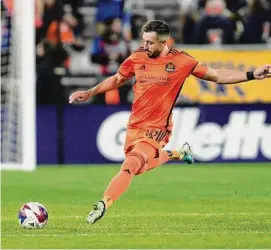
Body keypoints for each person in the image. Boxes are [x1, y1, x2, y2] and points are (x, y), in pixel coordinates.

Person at [69, 20, 271, 224]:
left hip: (158, 129)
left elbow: (217, 76)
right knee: (138, 168)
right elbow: (116, 79)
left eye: (150, 43)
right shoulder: (137, 58)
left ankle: (103, 203)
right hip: (134, 126)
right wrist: (89, 92)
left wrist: (252, 75)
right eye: (144, 41)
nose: (145, 46)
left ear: (163, 42)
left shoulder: (182, 61)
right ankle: (176, 154)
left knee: (131, 164)